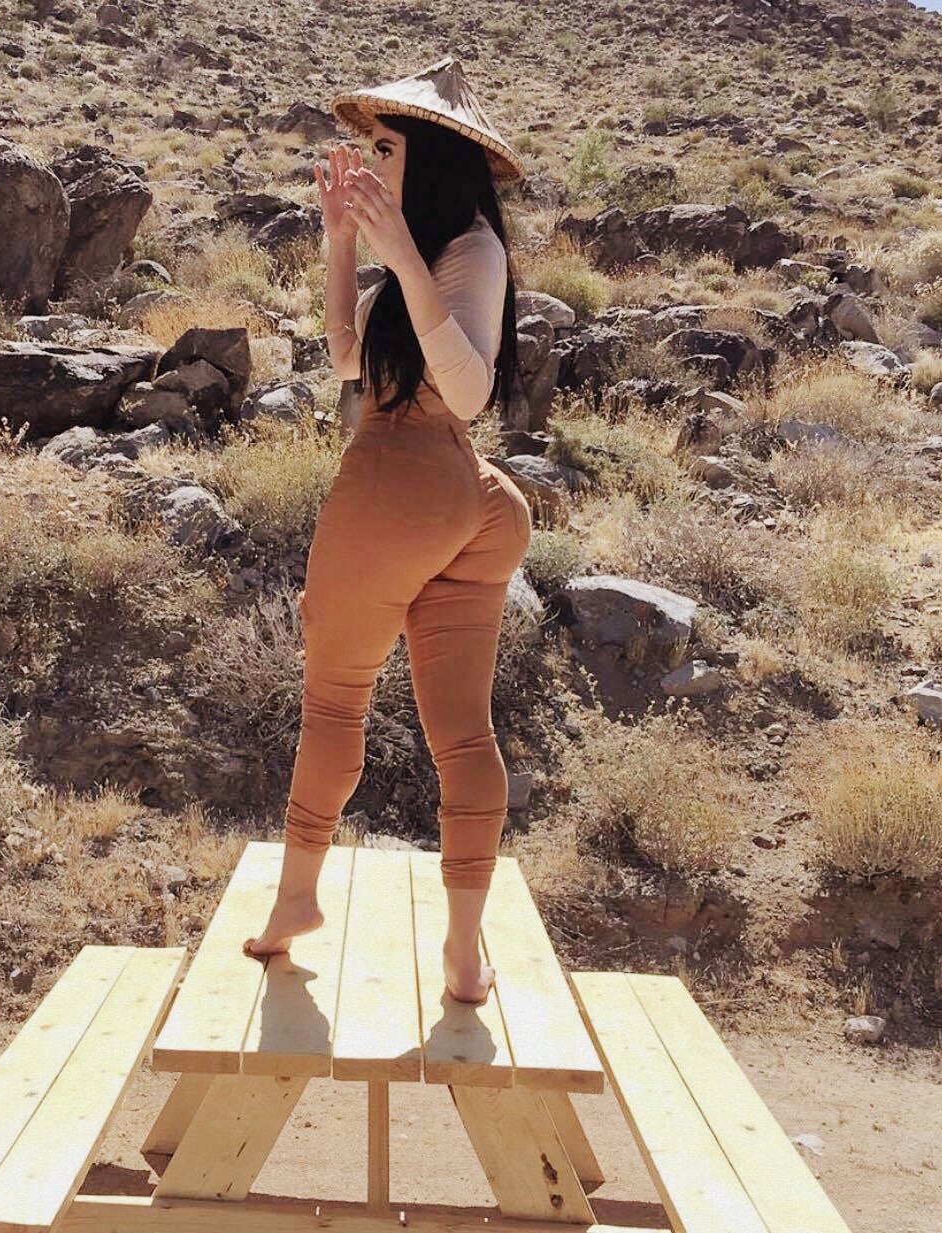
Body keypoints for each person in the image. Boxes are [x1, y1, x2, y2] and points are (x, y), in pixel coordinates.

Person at [243, 57, 531, 1005]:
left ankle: (297, 901)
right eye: (368, 147)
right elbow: (346, 360)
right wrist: (341, 244)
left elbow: (470, 390)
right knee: (461, 732)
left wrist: (400, 253)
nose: (369, 162)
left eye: (385, 148)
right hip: (469, 507)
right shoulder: (436, 249)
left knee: (335, 708)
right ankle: (462, 956)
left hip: (403, 487)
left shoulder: (468, 250)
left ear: (434, 156)